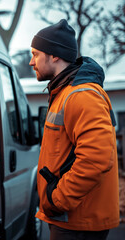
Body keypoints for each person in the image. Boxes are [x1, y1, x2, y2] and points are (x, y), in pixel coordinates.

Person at [29, 19, 119, 240]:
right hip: (72, 219)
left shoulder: (82, 95)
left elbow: (96, 158)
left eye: (35, 54)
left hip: (77, 222)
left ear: (54, 55)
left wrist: (58, 200)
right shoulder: (65, 92)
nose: (31, 62)